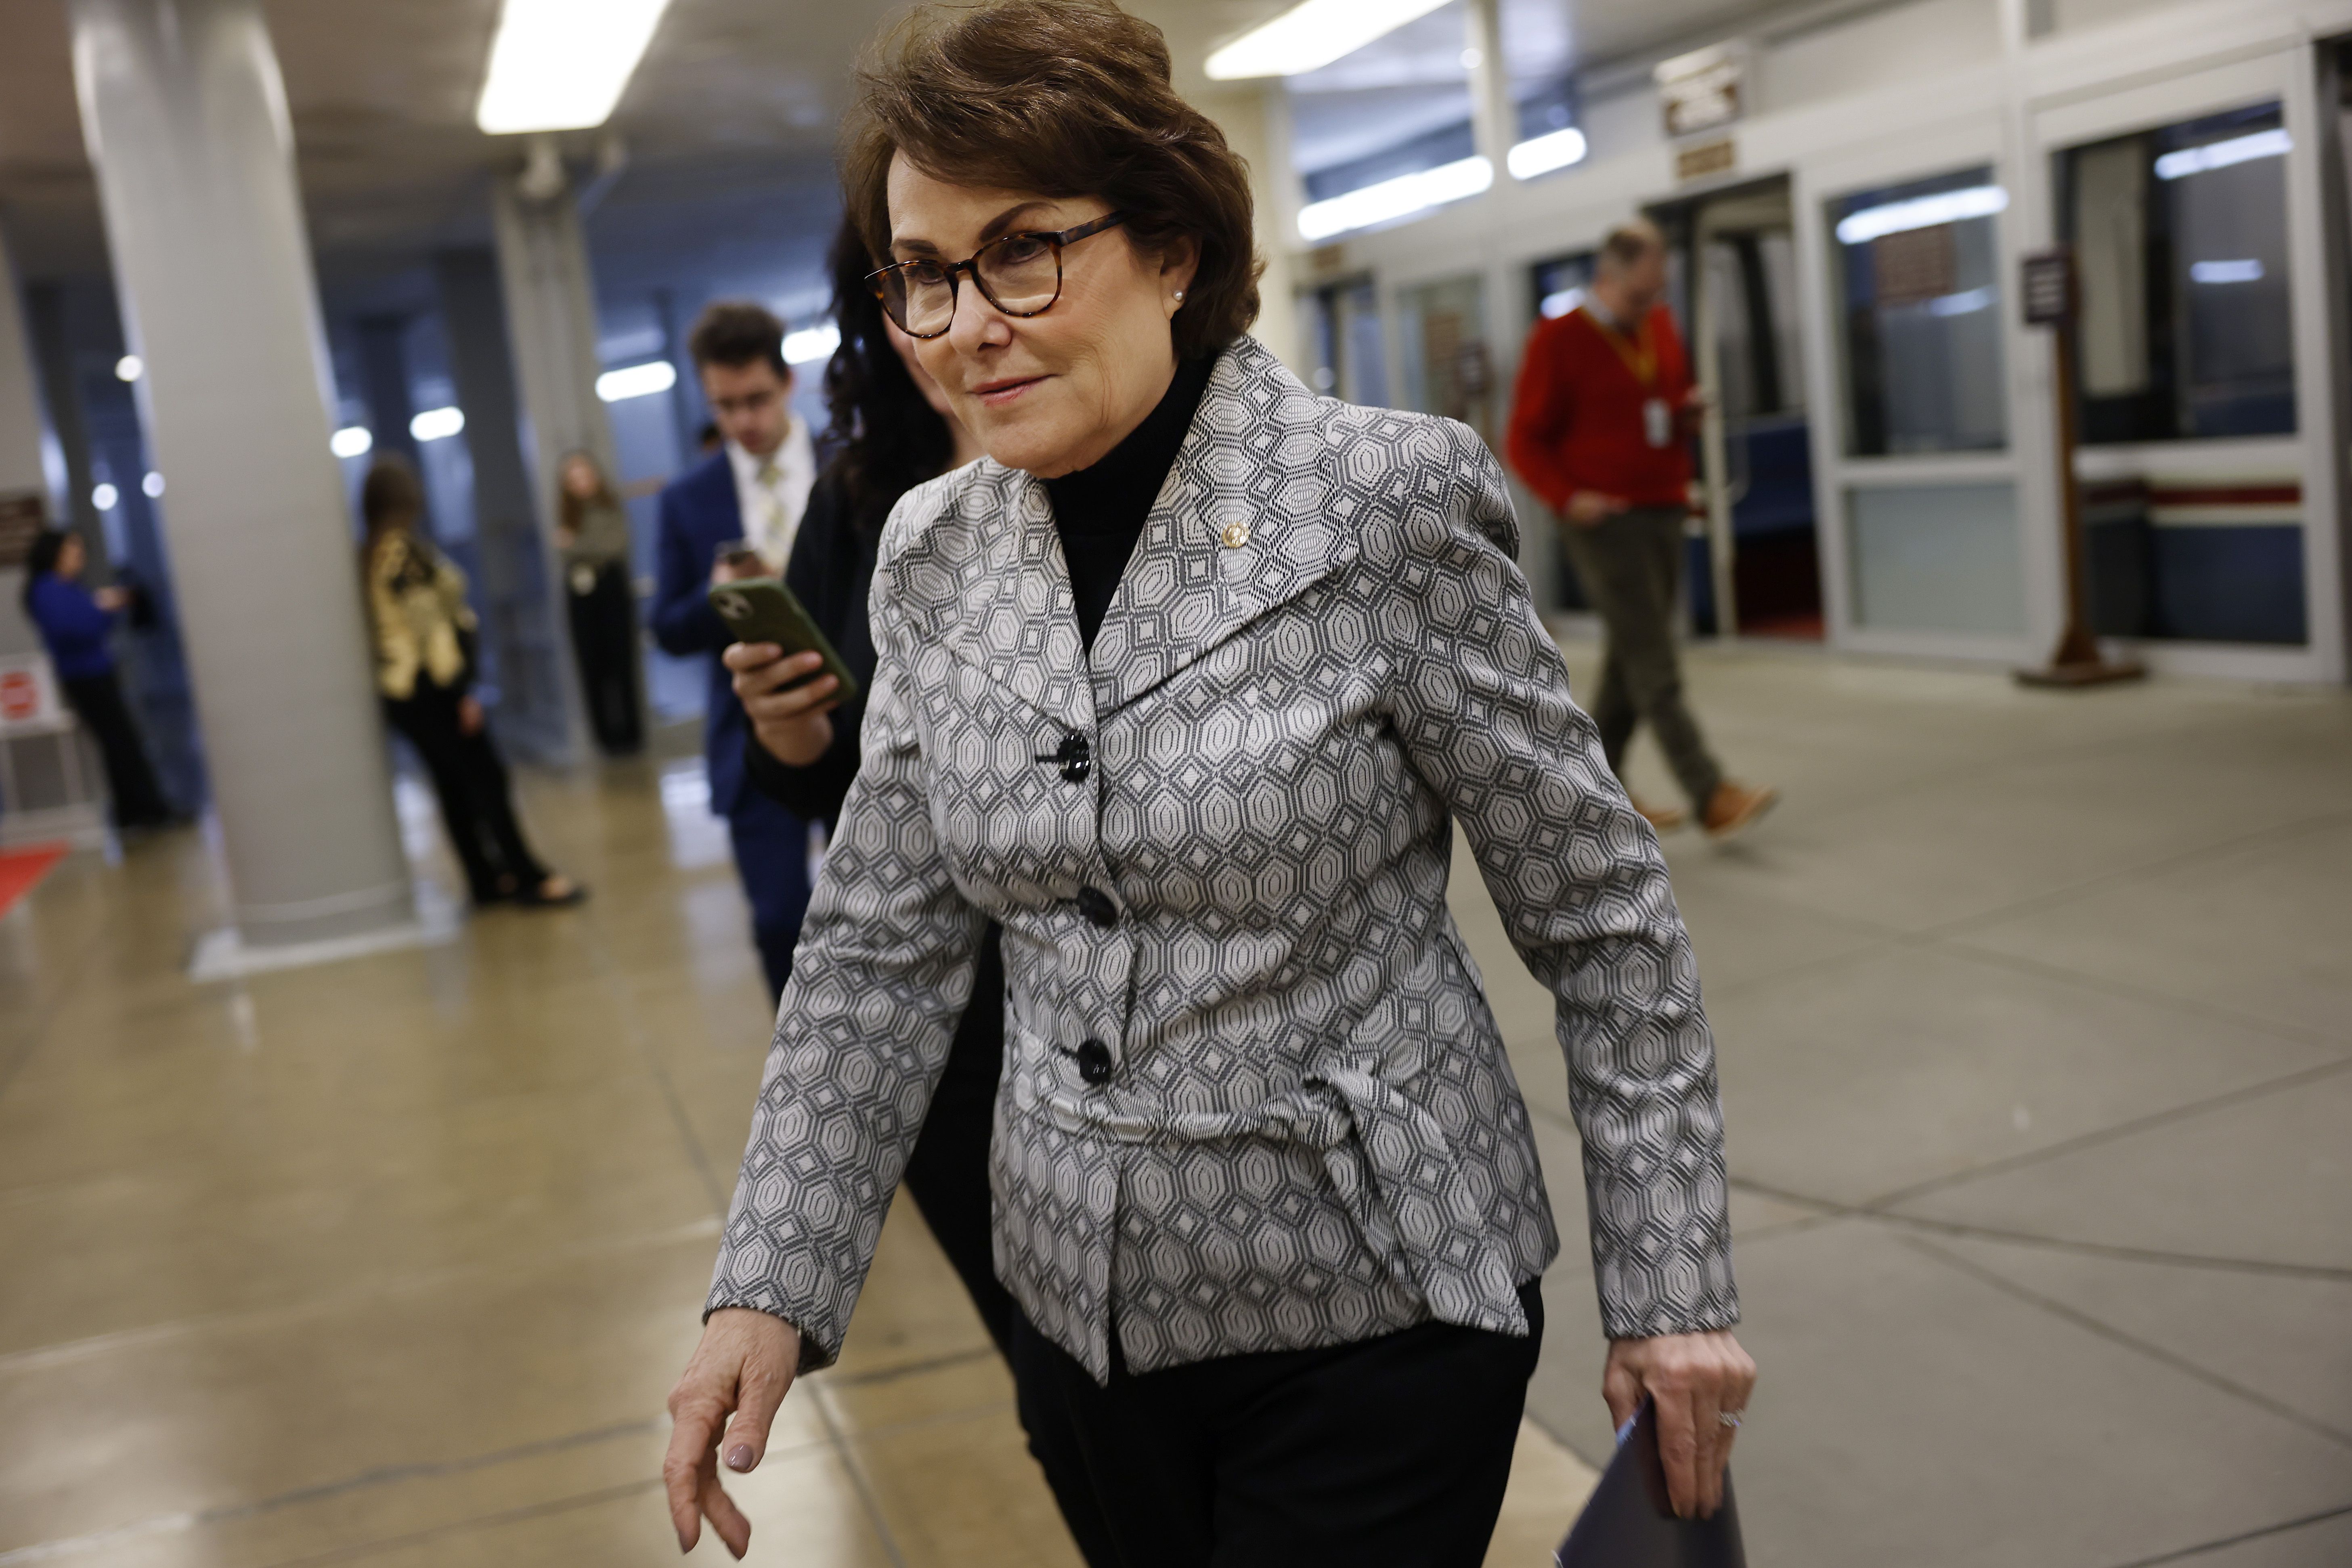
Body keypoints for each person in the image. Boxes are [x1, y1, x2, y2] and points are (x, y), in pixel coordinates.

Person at [664, 4, 1755, 1562]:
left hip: (1374, 1302)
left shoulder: (1378, 504)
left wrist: (1669, 1286)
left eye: (1023, 248)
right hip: (1077, 1313)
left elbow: (1598, 913)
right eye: (921, 273)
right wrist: (767, 1284)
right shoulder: (929, 553)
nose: (966, 321)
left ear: (1172, 246)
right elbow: (875, 954)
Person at [719, 216, 1116, 1564]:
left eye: (999, 265)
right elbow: (857, 814)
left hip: (1147, 1009)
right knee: (1058, 1382)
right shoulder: (873, 506)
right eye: (918, 283)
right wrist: (788, 738)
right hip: (956, 1031)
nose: (961, 318)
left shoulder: (1138, 466)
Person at [1505, 219, 1778, 839]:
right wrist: (1566, 498)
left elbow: (1660, 398)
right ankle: (1709, 789)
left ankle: (1601, 796)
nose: (1648, 308)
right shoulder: (1558, 339)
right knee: (1653, 656)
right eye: (1637, 296)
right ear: (1606, 278)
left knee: (1630, 662)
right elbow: (1523, 437)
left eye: (1657, 295)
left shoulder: (1656, 323)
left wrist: (1683, 414)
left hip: (1662, 506)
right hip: (1605, 522)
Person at [652, 303, 819, 1000]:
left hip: (867, 720)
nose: (743, 421)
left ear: (788, 381)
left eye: (755, 399)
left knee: (896, 918)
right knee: (781, 919)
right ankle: (805, 1072)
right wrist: (719, 597)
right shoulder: (688, 498)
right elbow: (665, 625)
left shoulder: (854, 465)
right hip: (751, 737)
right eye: (725, 406)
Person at [361, 456, 582, 910]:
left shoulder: (375, 554)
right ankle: (527, 877)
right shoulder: (403, 555)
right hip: (432, 690)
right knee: (487, 780)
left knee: (453, 786)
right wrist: (462, 691)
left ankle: (486, 880)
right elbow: (431, 630)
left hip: (408, 694)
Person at [19, 527, 176, 831]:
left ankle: (138, 810)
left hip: (96, 670)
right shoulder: (49, 590)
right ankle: (144, 811)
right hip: (85, 676)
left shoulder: (68, 587)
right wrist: (101, 608)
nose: (79, 558)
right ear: (56, 555)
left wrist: (102, 608)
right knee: (120, 744)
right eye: (73, 552)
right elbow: (76, 629)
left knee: (121, 744)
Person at [554, 450, 646, 756]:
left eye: (584, 475)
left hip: (611, 587)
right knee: (592, 666)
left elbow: (613, 545)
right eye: (573, 479)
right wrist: (583, 548)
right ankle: (605, 740)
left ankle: (632, 735)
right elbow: (564, 551)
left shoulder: (609, 506)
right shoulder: (567, 514)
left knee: (622, 661)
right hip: (582, 594)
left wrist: (578, 544)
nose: (580, 483)